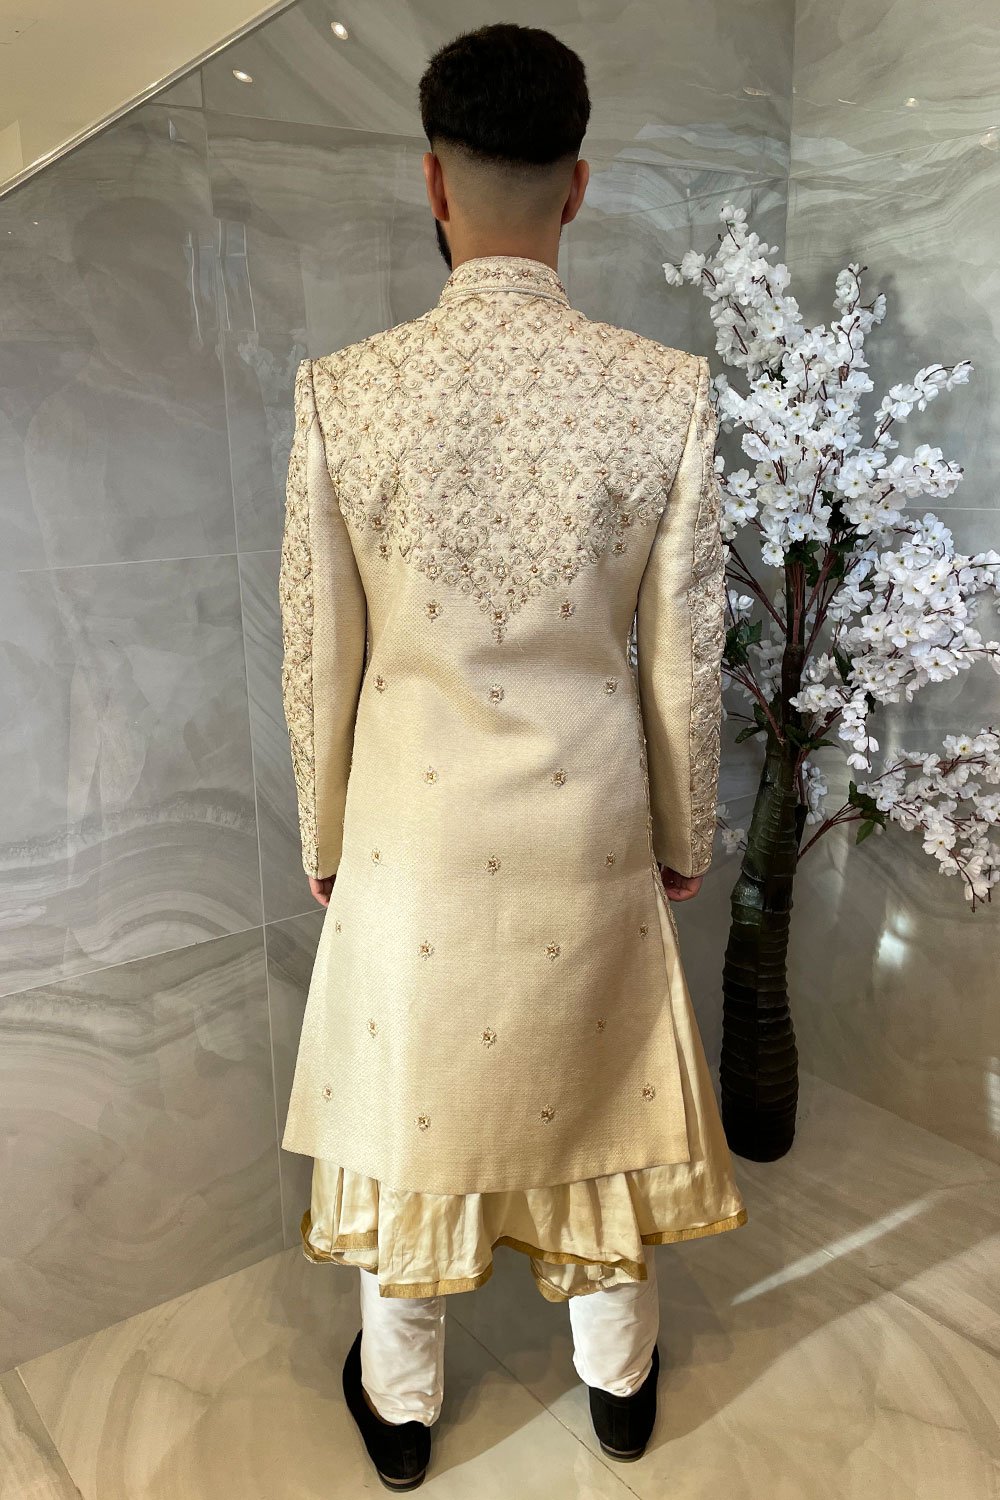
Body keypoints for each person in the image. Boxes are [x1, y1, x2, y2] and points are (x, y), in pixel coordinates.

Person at [278, 21, 748, 1491]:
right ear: (578, 183)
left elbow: (320, 654)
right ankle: (619, 1385)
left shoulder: (344, 391)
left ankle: (403, 1405)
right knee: (604, 1091)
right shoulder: (662, 391)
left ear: (432, 181)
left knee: (408, 1101)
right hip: (587, 821)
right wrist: (684, 834)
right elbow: (684, 661)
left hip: (408, 836)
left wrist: (325, 835)